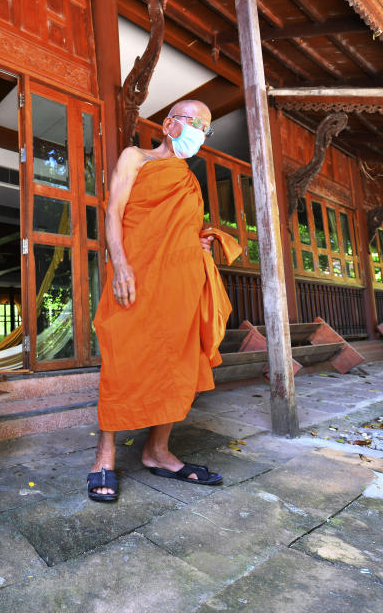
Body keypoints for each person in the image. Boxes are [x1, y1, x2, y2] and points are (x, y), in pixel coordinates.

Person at [86, 99, 239, 501]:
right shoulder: (135, 157)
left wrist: (201, 241)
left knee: (177, 360)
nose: (200, 134)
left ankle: (157, 450)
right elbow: (113, 212)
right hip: (135, 276)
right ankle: (105, 456)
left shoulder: (189, 179)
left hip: (179, 283)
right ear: (170, 124)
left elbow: (181, 229)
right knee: (123, 358)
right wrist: (120, 265)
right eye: (195, 123)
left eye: (206, 129)